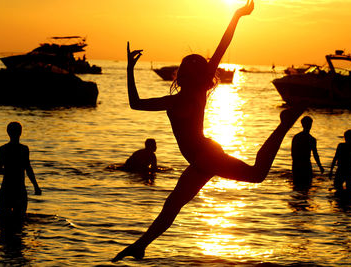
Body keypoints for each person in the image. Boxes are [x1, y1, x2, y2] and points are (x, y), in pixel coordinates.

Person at [112, 0, 305, 261]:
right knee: (172, 205)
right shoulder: (186, 95)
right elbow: (135, 104)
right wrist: (129, 69)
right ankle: (140, 246)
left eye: (193, 64)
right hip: (202, 158)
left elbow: (222, 47)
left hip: (206, 156)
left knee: (257, 175)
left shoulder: (191, 93)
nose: (193, 66)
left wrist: (236, 16)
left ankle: (284, 124)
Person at [0, 122, 42, 219]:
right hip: (19, 190)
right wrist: (36, 186)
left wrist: (9, 170)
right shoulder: (24, 149)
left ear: (8, 132)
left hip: (6, 190)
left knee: (3, 223)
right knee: (20, 221)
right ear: (20, 132)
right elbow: (28, 169)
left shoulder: (3, 149)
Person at [291, 116, 324, 188]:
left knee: (298, 185)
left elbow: (293, 153)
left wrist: (320, 166)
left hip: (301, 164)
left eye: (309, 124)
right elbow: (315, 154)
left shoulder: (297, 137)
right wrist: (320, 166)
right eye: (308, 124)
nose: (309, 126)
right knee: (306, 186)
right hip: (303, 164)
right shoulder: (310, 139)